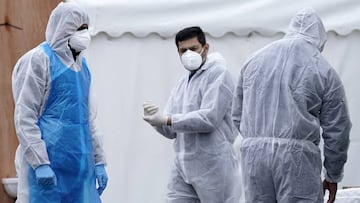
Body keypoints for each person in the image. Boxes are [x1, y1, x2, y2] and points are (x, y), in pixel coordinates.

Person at [231, 7, 351, 203]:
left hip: (254, 156)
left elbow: (237, 114)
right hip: (297, 160)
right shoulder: (323, 69)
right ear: (319, 37)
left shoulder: (253, 60)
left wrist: (259, 138)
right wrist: (332, 174)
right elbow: (337, 129)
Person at [12, 2, 108, 203]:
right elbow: (25, 116)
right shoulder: (39, 60)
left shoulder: (83, 68)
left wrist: (99, 161)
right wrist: (40, 163)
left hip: (80, 169)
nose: (85, 34)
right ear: (63, 27)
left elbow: (91, 120)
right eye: (79, 28)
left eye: (85, 28)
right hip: (47, 170)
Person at [142, 26, 241, 203]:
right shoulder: (182, 83)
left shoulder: (219, 74)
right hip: (183, 166)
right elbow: (172, 131)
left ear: (206, 48)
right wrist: (156, 121)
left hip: (213, 166)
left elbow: (209, 119)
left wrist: (167, 119)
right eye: (183, 50)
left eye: (193, 48)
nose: (188, 54)